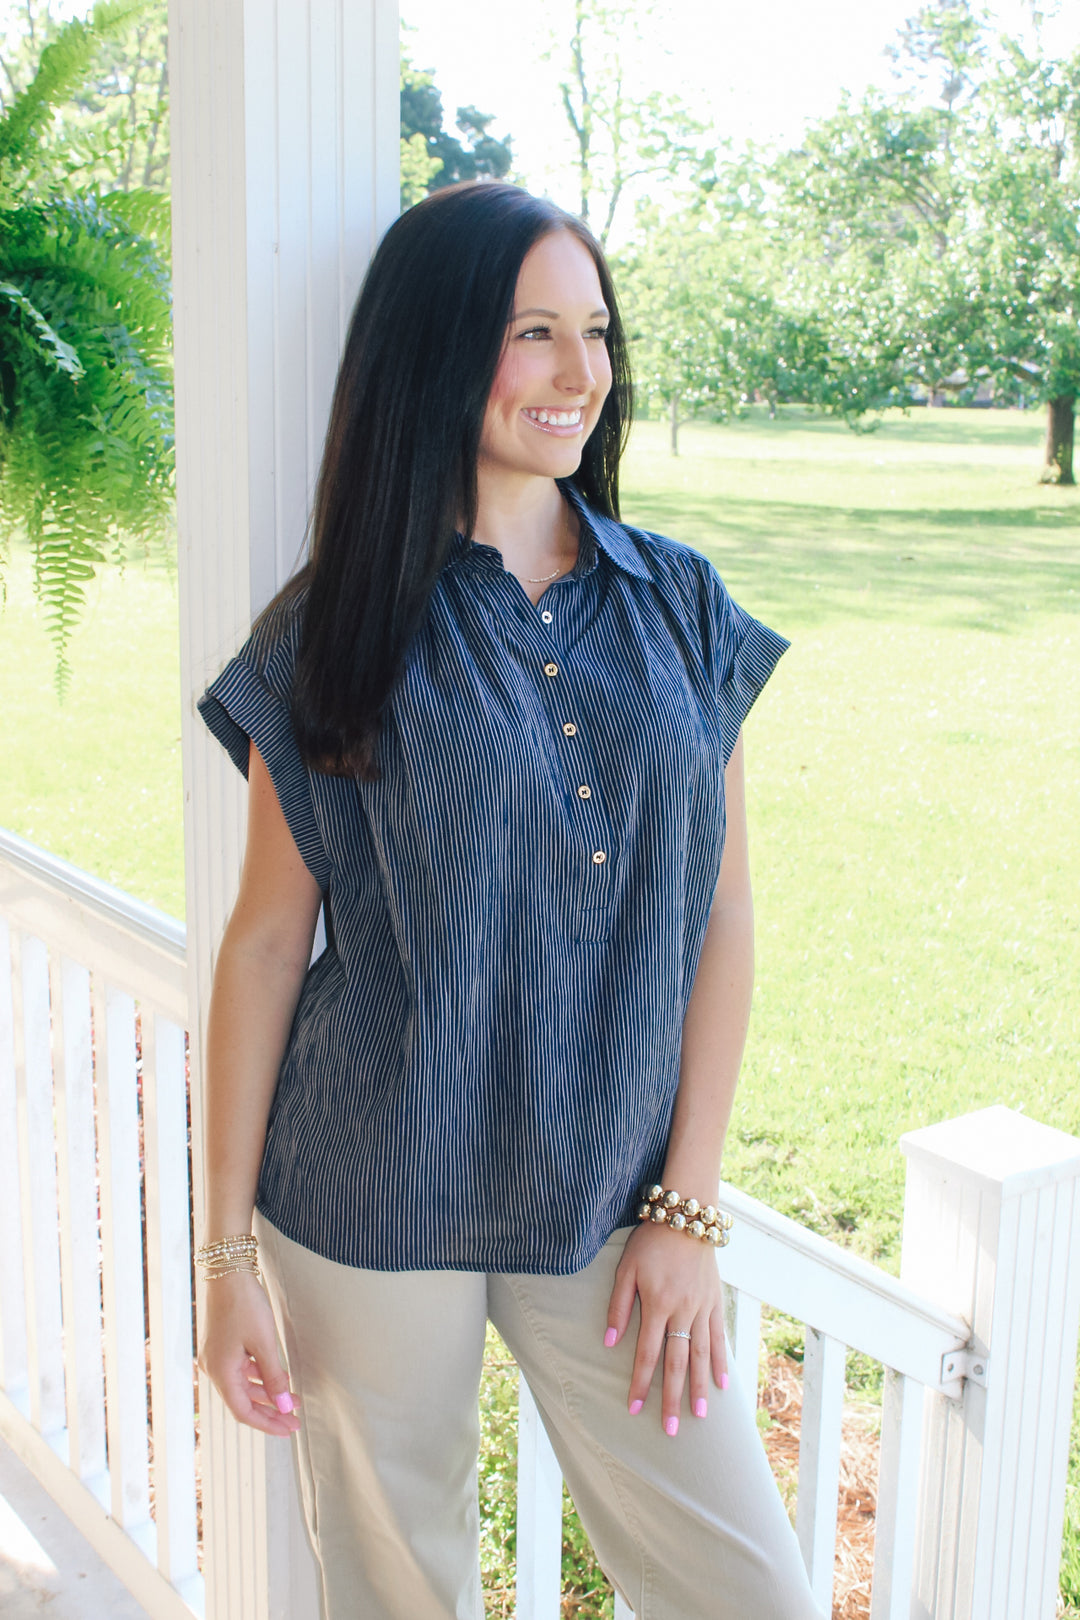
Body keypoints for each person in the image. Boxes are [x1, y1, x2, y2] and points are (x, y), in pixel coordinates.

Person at [196, 181, 823, 1620]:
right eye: (532, 331)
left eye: (593, 332)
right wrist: (224, 1255)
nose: (580, 374)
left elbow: (720, 918)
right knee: (397, 1588)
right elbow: (270, 943)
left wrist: (688, 1206)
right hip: (369, 1183)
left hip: (613, 1191)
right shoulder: (332, 628)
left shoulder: (678, 603)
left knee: (748, 1594)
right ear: (436, 350)